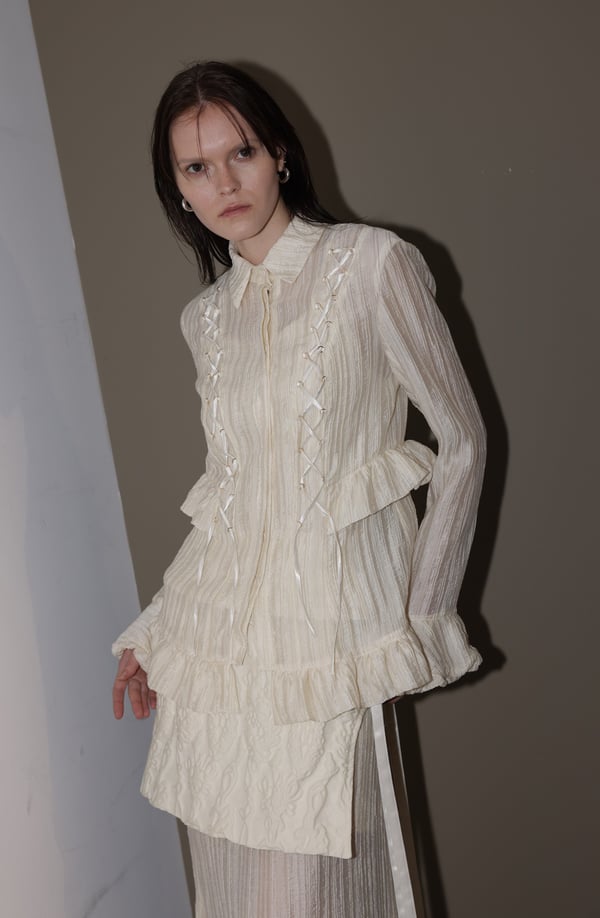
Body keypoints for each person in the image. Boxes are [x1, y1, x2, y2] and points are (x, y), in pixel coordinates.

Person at [112, 60, 486, 918]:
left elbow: (463, 441)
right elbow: (231, 494)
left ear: (280, 152)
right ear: (177, 190)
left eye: (240, 152)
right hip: (221, 649)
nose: (223, 183)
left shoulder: (372, 263)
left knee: (319, 892)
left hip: (327, 636)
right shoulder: (206, 320)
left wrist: (421, 614)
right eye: (196, 167)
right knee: (235, 890)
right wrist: (155, 630)